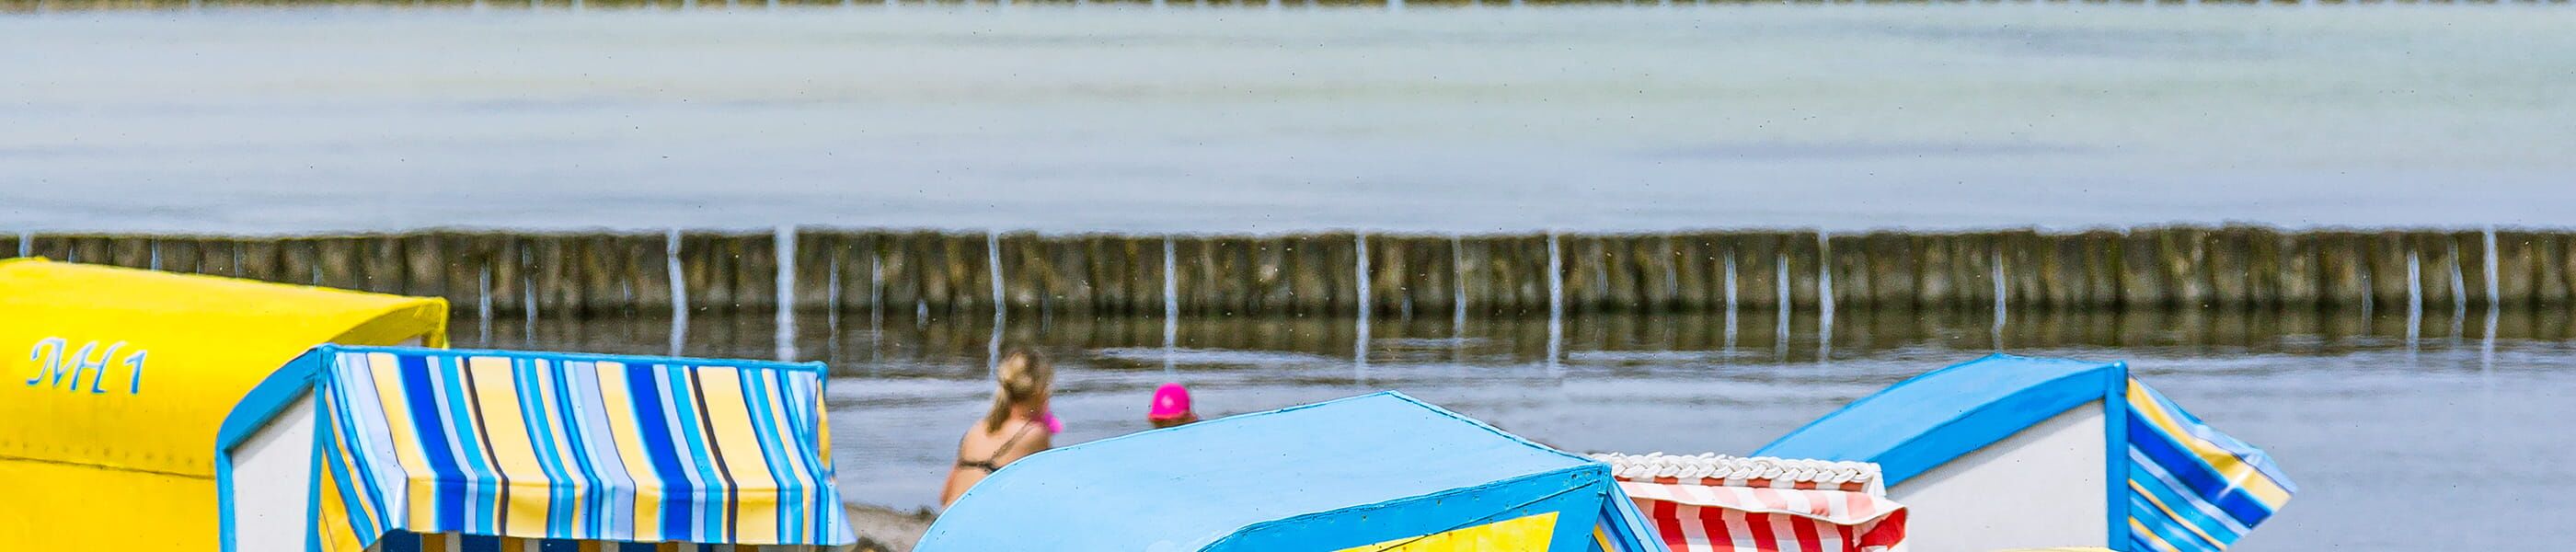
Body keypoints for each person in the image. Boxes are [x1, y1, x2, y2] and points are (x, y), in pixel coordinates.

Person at [938, 348, 1057, 508]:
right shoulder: (1033, 433)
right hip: (984, 521)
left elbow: (944, 495)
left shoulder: (978, 428)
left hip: (950, 519)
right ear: (1041, 391)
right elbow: (1048, 492)